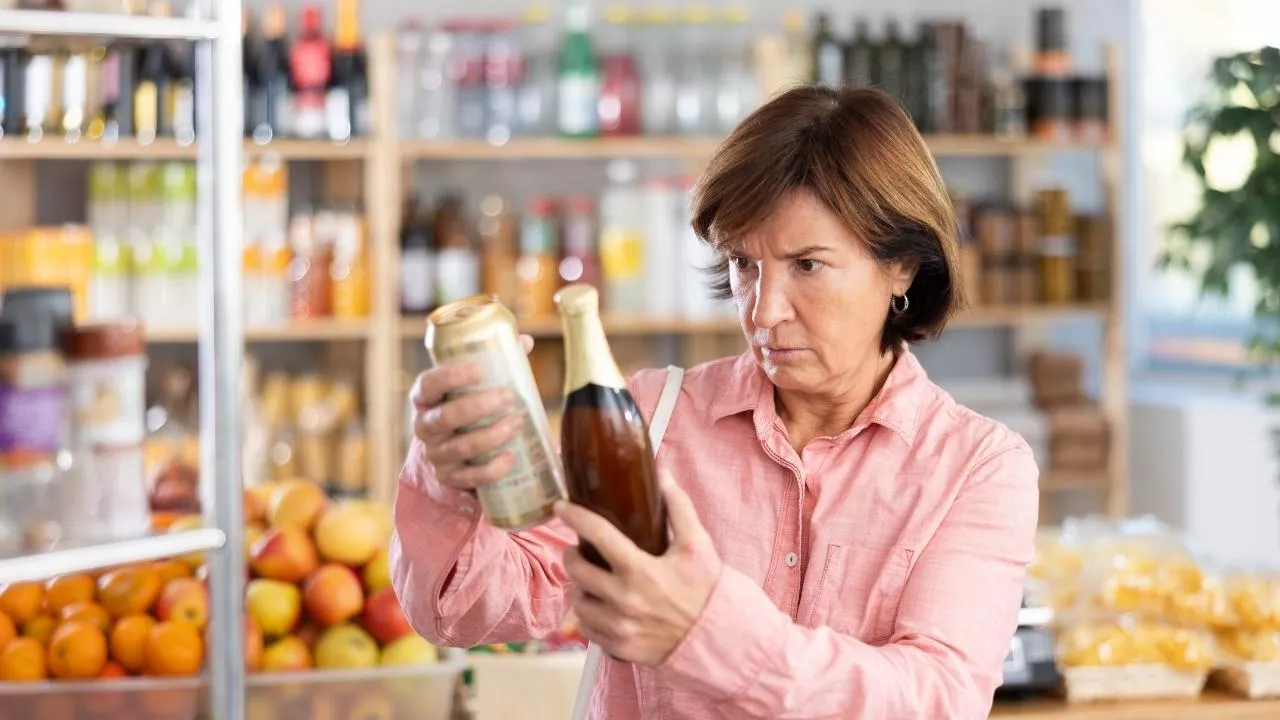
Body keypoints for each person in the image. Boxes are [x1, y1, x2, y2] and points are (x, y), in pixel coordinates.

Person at [392, 85, 1039, 719]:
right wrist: (451, 483)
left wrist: (706, 631)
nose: (764, 311)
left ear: (901, 266)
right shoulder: (651, 417)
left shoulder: (978, 469)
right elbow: (466, 611)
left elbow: (936, 699)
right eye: (743, 264)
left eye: (807, 265)